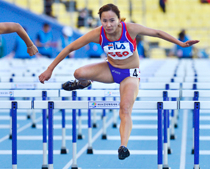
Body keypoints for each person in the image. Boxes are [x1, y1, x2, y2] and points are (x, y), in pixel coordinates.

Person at [38, 3, 199, 160]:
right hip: (110, 69)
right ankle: (84, 83)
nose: (108, 25)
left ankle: (123, 146)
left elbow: (156, 33)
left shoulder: (130, 29)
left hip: (130, 74)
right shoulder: (98, 33)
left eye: (112, 20)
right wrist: (50, 69)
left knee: (125, 109)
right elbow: (70, 47)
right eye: (104, 21)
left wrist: (180, 44)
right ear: (100, 21)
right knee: (78, 73)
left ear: (119, 19)